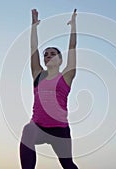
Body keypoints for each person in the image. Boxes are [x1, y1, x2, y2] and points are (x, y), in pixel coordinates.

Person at [19, 9, 78, 169]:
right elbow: (33, 47)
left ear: (60, 60)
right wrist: (34, 26)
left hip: (60, 130)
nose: (49, 56)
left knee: (67, 164)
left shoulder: (66, 76)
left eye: (53, 54)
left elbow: (72, 46)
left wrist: (73, 25)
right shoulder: (38, 75)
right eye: (46, 54)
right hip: (39, 127)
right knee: (28, 130)